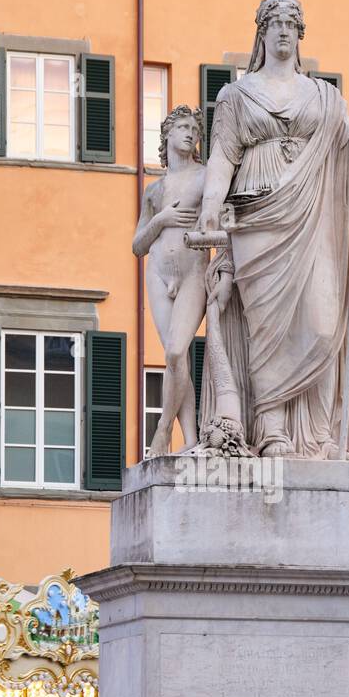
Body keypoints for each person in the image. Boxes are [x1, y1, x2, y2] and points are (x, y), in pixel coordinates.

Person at [197, 0, 349, 459]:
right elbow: (222, 156)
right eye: (274, 22)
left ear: (300, 34)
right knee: (265, 326)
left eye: (291, 22)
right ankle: (273, 428)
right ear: (261, 33)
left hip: (315, 216)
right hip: (257, 212)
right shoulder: (236, 96)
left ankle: (320, 435)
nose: (283, 30)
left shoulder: (325, 97)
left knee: (324, 322)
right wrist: (208, 210)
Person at [132, 105, 208, 454]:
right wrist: (161, 219)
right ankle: (190, 441)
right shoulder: (155, 189)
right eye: (183, 127)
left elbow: (223, 220)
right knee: (174, 359)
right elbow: (137, 245)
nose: (190, 133)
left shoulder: (206, 176)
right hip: (158, 275)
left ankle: (162, 429)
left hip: (193, 270)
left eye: (194, 128)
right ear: (167, 135)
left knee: (178, 352)